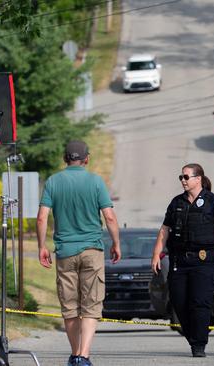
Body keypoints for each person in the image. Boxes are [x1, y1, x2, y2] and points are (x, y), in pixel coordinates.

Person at [36, 140, 121, 366]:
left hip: (65, 252)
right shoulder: (95, 181)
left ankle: (75, 354)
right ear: (87, 158)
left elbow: (42, 217)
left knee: (70, 306)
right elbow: (109, 217)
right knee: (91, 305)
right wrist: (116, 243)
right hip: (92, 249)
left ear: (66, 158)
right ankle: (83, 355)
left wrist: (41, 246)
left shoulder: (54, 181)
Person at [151, 163, 214, 358]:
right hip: (179, 260)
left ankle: (198, 345)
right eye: (180, 177)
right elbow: (165, 229)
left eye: (186, 177)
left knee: (200, 302)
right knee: (179, 301)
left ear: (198, 179)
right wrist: (156, 253)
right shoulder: (176, 202)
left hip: (204, 260)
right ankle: (194, 336)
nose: (182, 180)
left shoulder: (213, 201)